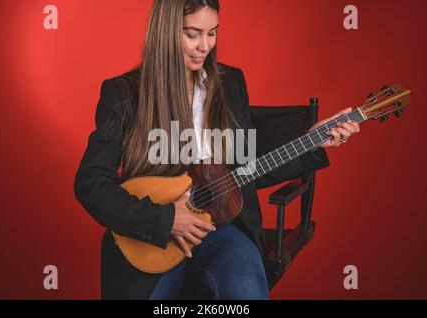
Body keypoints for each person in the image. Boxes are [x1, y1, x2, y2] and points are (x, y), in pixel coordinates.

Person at [74, 0, 360, 300]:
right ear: (165, 32)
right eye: (193, 33)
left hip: (222, 226)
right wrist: (167, 220)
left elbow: (248, 168)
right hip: (151, 235)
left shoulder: (230, 83)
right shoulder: (123, 93)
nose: (204, 46)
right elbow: (90, 183)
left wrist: (311, 141)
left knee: (245, 291)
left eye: (212, 33)